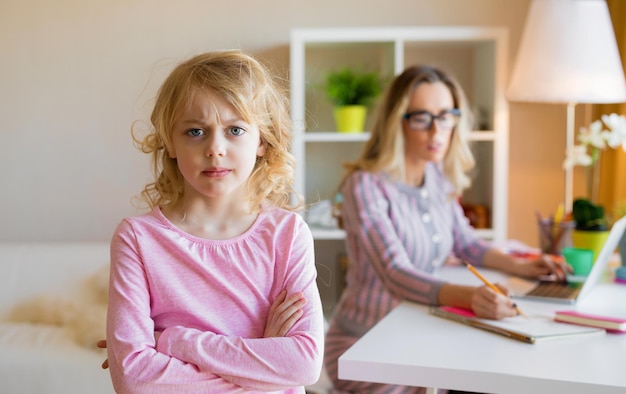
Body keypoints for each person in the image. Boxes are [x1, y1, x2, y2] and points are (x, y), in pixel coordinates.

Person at [323, 65, 568, 393]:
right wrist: (472, 298)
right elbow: (395, 272)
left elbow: (467, 244)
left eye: (446, 116)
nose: (437, 131)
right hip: (365, 343)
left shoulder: (437, 177)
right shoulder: (364, 186)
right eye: (422, 118)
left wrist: (524, 266)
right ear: (398, 121)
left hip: (420, 331)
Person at [104, 50, 324, 393]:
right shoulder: (137, 238)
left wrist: (176, 342)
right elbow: (134, 380)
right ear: (170, 141)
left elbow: (303, 364)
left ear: (262, 141)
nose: (215, 148)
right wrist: (264, 373)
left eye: (235, 129)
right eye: (195, 132)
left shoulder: (287, 234)